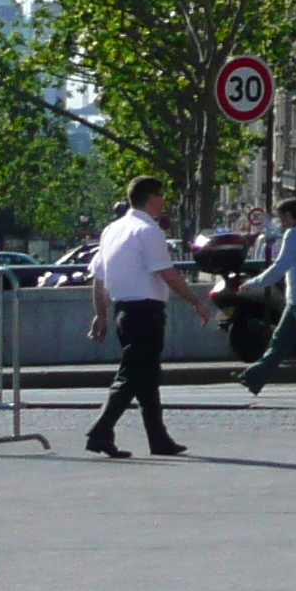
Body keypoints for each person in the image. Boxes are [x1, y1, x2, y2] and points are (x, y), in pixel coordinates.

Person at [84, 177, 214, 458]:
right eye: (161, 195)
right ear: (150, 198)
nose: (164, 201)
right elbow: (167, 274)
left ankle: (158, 438)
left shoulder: (112, 230)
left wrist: (101, 315)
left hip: (123, 311)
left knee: (147, 376)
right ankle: (101, 431)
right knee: (132, 375)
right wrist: (196, 302)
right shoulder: (148, 231)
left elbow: (98, 279)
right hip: (146, 311)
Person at [234, 199, 296, 397]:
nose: (280, 223)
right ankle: (253, 378)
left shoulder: (293, 234)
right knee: (279, 342)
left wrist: (254, 283)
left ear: (289, 216)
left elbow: (280, 266)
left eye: (281, 217)